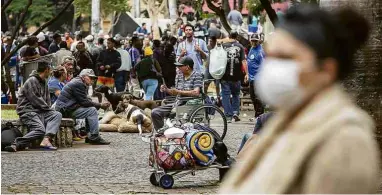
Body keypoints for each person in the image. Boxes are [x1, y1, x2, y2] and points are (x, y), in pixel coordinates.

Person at [219, 5, 379, 194]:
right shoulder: (286, 121)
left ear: (326, 70)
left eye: (285, 58)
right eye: (272, 57)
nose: (273, 67)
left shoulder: (344, 140)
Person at [4, 63, 63, 152]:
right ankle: (16, 143)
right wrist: (48, 109)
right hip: (28, 111)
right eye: (50, 70)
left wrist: (50, 110)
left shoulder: (45, 82)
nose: (51, 72)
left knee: (57, 114)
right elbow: (36, 101)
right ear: (46, 70)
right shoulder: (31, 81)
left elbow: (47, 102)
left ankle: (46, 140)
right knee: (40, 130)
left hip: (40, 111)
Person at [54, 69, 111, 145]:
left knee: (90, 109)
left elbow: (85, 100)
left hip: (67, 108)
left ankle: (90, 136)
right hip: (65, 110)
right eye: (90, 78)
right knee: (92, 110)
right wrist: (100, 105)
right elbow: (84, 102)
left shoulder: (79, 82)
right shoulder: (78, 83)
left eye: (93, 78)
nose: (92, 80)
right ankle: (94, 137)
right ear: (83, 77)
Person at [151, 56, 202, 130]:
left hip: (189, 105)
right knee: (155, 112)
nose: (178, 68)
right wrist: (167, 90)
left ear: (187, 67)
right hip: (177, 103)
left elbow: (196, 92)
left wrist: (178, 91)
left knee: (173, 114)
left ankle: (169, 130)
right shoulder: (179, 76)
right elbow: (175, 93)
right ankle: (161, 132)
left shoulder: (197, 75)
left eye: (180, 66)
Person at [221, 31, 248, 122]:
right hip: (236, 76)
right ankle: (235, 113)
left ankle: (228, 115)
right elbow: (244, 61)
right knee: (236, 94)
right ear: (237, 37)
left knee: (225, 95)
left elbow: (218, 60)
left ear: (229, 36)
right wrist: (247, 74)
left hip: (225, 76)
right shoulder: (240, 47)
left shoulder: (223, 46)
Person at [247, 33, 265, 118]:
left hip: (258, 78)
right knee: (253, 97)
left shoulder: (260, 52)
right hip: (251, 78)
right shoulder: (252, 49)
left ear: (258, 41)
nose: (254, 42)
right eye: (252, 41)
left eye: (255, 41)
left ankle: (259, 115)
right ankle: (257, 114)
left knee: (258, 98)